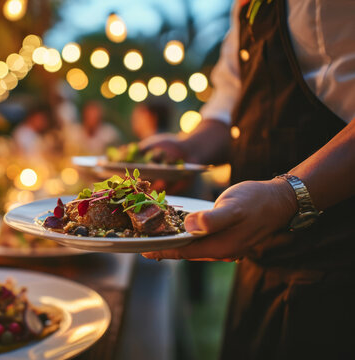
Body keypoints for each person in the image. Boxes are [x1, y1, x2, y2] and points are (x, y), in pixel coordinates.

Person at [140, 1, 355, 359]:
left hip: (339, 271)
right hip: (258, 264)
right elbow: (231, 105)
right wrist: (189, 148)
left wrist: (287, 197)